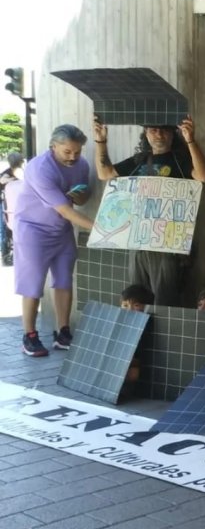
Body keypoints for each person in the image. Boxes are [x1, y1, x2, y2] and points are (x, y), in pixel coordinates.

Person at [94, 116, 205, 306]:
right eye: (153, 130)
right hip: (139, 240)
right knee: (137, 298)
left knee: (165, 299)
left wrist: (190, 140)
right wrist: (100, 141)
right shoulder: (139, 161)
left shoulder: (182, 160)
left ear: (173, 134)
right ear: (146, 133)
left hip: (169, 244)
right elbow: (104, 173)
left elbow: (202, 176)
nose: (159, 135)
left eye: (164, 130)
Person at [13, 125, 95, 357]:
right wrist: (101, 229)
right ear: (53, 146)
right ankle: (29, 336)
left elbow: (81, 199)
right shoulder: (39, 168)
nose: (73, 157)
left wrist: (81, 195)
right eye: (67, 152)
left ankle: (63, 332)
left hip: (61, 230)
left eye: (77, 152)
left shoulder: (82, 165)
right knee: (33, 283)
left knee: (64, 280)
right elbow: (65, 210)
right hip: (33, 229)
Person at [0, 151, 24, 266]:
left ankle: (7, 255)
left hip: (11, 208)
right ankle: (6, 256)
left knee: (5, 231)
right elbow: (2, 181)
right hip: (8, 207)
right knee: (4, 231)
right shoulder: (8, 173)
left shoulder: (15, 173)